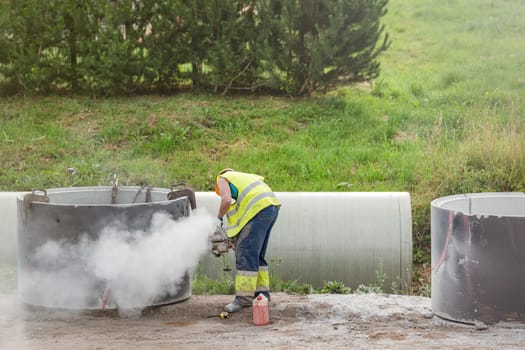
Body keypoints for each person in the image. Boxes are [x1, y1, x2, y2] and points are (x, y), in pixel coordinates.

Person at [214, 168, 281, 313]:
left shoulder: (222, 178)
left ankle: (243, 299)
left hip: (258, 209)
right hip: (271, 207)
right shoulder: (243, 178)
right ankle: (262, 295)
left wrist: (218, 218)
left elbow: (226, 200)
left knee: (245, 253)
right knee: (257, 255)